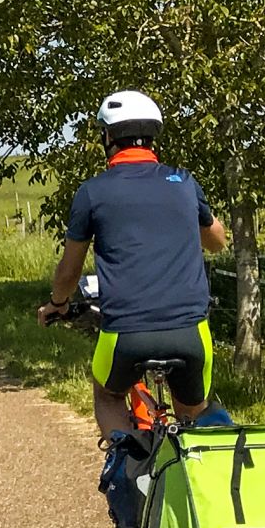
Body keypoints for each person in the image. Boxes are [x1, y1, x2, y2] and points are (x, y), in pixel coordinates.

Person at [37, 91, 229, 439]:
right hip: (190, 332)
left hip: (126, 333)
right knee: (193, 412)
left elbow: (69, 270)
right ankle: (193, 459)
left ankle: (126, 460)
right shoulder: (184, 183)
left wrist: (58, 304)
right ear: (152, 136)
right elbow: (217, 241)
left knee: (107, 394)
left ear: (108, 137)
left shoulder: (92, 192)